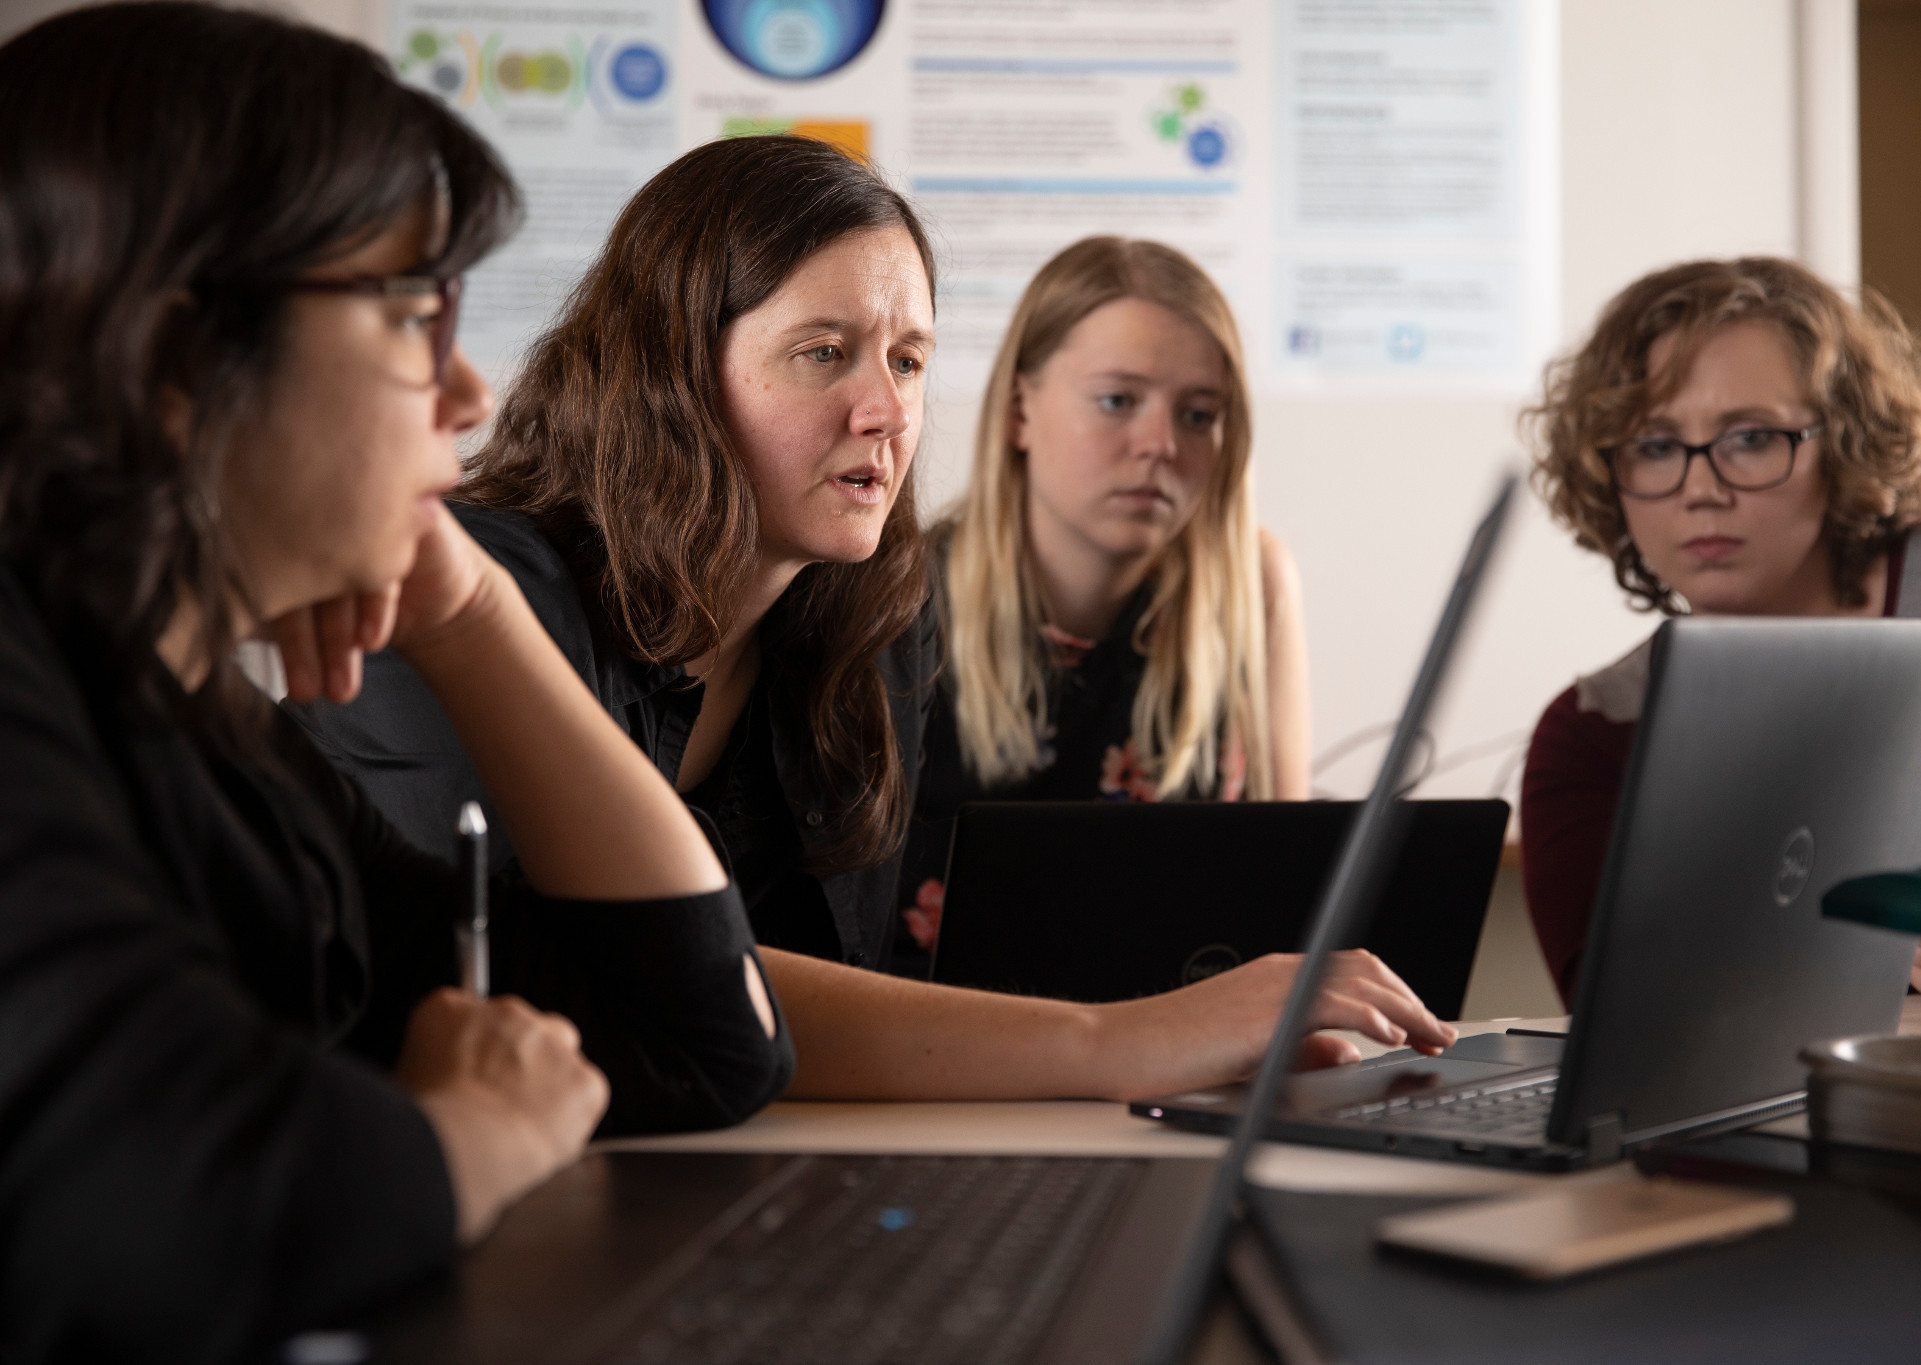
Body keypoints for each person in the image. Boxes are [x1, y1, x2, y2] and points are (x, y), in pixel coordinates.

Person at [306, 137, 1456, 1100]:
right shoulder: (466, 597)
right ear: (670, 373)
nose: (886, 412)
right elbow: (587, 996)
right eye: (823, 354)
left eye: (907, 361)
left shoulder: (868, 622)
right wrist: (1122, 1040)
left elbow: (818, 1005)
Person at [0, 7, 792, 1356]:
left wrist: (471, 613)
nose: (470, 392)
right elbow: (169, 1205)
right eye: (417, 318)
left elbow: (702, 1039)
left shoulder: (204, 734)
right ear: (179, 363)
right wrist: (472, 1131)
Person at [1521, 256, 1921, 1005]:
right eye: (1656, 447)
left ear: (1845, 441)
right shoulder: (1589, 737)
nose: (1701, 489)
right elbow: (1624, 1037)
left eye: (1750, 438)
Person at [895, 237, 1312, 960]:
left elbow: (1288, 894)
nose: (1160, 444)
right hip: (949, 1029)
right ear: (1020, 411)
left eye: (1199, 415)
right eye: (1118, 400)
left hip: (1184, 1024)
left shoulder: (1252, 583)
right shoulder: (897, 594)